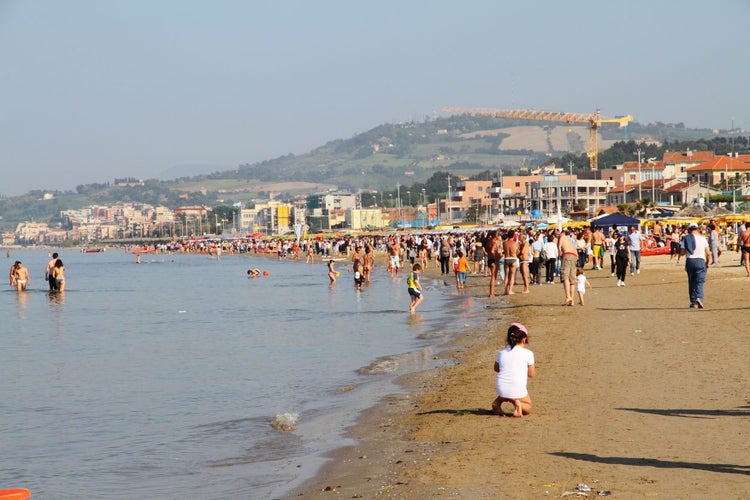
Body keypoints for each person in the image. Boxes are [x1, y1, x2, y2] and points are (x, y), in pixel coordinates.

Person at [491, 322, 535, 418]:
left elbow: (496, 369)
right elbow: (531, 374)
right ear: (524, 339)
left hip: (500, 388)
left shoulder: (501, 353)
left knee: (505, 390)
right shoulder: (528, 353)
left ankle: (497, 403)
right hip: (517, 389)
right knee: (528, 407)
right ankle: (518, 404)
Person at [681, 222, 710, 308]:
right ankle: (699, 298)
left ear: (689, 230)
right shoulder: (703, 239)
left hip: (690, 260)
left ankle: (693, 302)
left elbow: (682, 252)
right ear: (697, 229)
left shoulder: (685, 239)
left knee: (692, 281)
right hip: (701, 260)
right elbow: (708, 253)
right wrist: (707, 263)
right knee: (700, 282)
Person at [558, 229, 577, 306]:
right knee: (572, 279)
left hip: (567, 255)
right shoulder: (570, 241)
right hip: (574, 256)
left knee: (565, 276)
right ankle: (572, 300)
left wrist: (560, 256)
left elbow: (559, 247)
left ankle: (568, 297)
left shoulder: (562, 237)